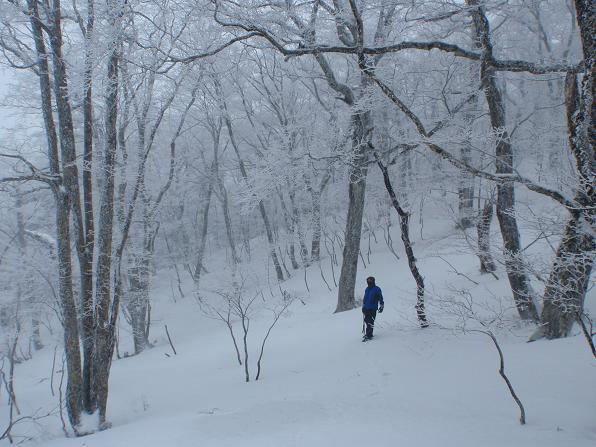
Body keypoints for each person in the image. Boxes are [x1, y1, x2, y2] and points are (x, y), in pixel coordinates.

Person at [362, 276, 384, 341]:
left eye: (370, 281)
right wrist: (363, 306)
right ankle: (368, 333)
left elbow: (380, 298)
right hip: (366, 308)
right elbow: (365, 298)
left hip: (373, 308)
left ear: (373, 281)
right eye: (368, 281)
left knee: (370, 321)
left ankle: (369, 335)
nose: (369, 282)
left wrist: (381, 306)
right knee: (366, 320)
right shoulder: (367, 289)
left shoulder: (377, 289)